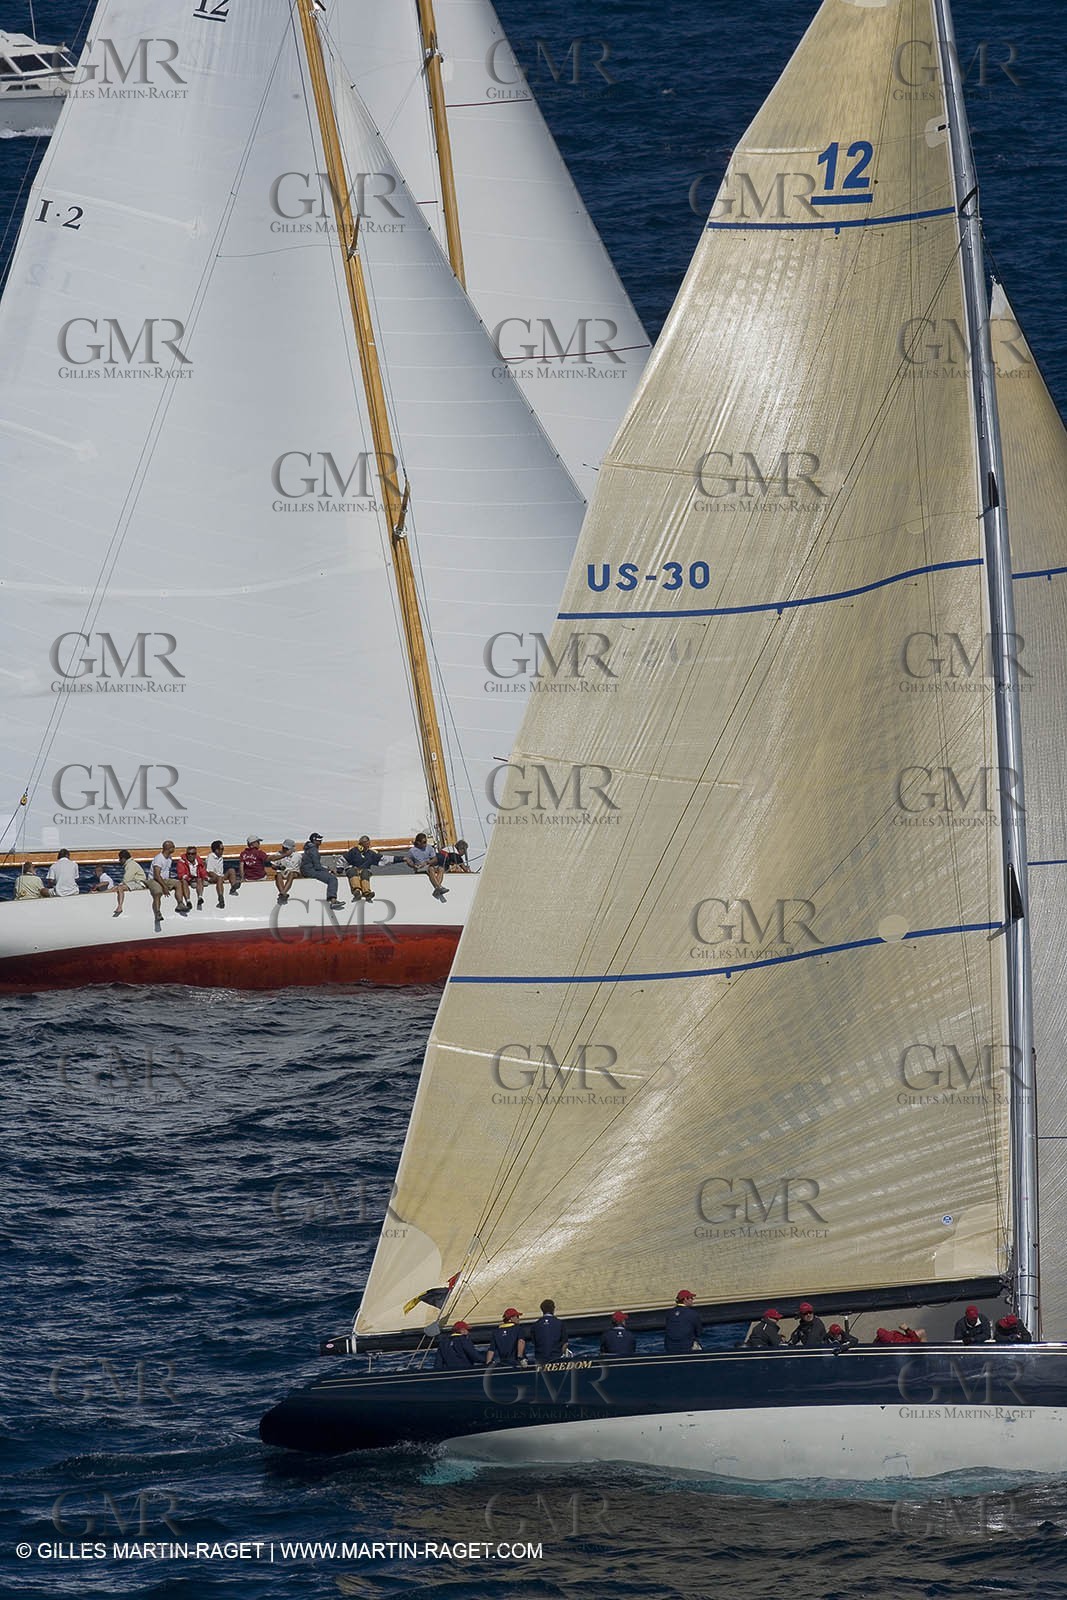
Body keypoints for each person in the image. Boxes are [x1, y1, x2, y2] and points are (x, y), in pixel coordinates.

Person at [300, 831, 344, 910]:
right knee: (332, 879)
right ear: (314, 840)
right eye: (319, 840)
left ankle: (333, 900)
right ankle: (333, 900)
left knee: (329, 876)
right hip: (310, 871)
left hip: (306, 870)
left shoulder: (309, 848)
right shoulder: (313, 850)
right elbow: (317, 866)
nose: (320, 841)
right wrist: (329, 870)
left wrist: (326, 869)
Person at [406, 831, 448, 900]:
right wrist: (413, 865)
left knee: (441, 869)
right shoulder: (412, 851)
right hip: (420, 868)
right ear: (418, 842)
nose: (426, 843)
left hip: (428, 865)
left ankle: (437, 888)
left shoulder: (429, 848)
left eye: (426, 841)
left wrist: (427, 862)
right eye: (424, 842)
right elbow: (408, 861)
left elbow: (435, 859)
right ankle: (439, 887)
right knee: (430, 868)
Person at [151, 840, 190, 914]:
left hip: (165, 879)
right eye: (173, 847)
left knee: (178, 883)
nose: (174, 848)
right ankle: (157, 912)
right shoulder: (159, 859)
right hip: (155, 880)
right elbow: (156, 875)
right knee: (157, 892)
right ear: (169, 848)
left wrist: (169, 882)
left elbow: (167, 871)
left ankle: (180, 903)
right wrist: (165, 887)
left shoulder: (169, 858)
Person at [664, 1289, 703, 1354]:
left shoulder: (669, 1313)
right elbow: (699, 1332)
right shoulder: (692, 1313)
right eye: (691, 1298)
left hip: (669, 1347)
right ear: (685, 1299)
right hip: (686, 1347)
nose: (692, 1300)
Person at [344, 836, 381, 902]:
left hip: (364, 870)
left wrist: (399, 859)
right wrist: (340, 868)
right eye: (365, 842)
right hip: (353, 868)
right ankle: (357, 891)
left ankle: (367, 893)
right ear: (361, 843)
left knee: (365, 873)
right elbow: (344, 859)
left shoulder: (371, 853)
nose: (367, 844)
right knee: (353, 872)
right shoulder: (354, 851)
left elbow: (384, 859)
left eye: (368, 842)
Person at [116, 850, 150, 917]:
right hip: (135, 882)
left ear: (123, 858)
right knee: (116, 887)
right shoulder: (130, 864)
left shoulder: (131, 864)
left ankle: (120, 906)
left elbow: (127, 878)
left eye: (120, 859)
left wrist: (120, 884)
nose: (119, 861)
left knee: (120, 888)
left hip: (139, 883)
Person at [205, 840, 236, 908]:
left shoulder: (220, 857)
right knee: (219, 878)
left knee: (231, 870)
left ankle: (233, 887)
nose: (223, 850)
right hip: (212, 877)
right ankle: (220, 897)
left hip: (220, 876)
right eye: (222, 849)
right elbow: (209, 872)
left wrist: (221, 877)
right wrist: (220, 878)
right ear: (216, 850)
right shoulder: (211, 857)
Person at [271, 839, 302, 905]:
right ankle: (283, 893)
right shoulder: (279, 854)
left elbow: (302, 866)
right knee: (278, 873)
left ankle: (283, 892)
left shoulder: (298, 856)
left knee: (291, 873)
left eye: (287, 848)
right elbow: (273, 865)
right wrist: (278, 867)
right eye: (284, 847)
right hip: (283, 871)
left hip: (294, 872)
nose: (284, 849)